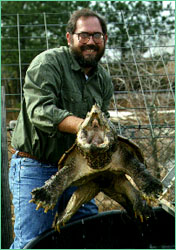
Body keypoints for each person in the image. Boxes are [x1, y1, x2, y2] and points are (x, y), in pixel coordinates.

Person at [9, 8, 114, 249]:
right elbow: (40, 111)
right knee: (33, 242)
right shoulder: (48, 64)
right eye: (83, 35)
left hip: (78, 169)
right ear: (69, 38)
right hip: (36, 166)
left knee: (85, 236)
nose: (90, 42)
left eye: (97, 36)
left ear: (104, 39)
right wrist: (85, 126)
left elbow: (104, 120)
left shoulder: (103, 79)